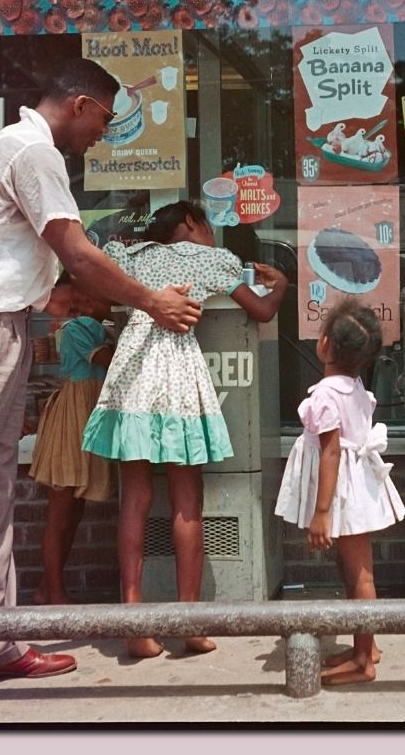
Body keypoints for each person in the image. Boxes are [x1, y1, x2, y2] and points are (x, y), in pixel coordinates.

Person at [0, 59, 204, 684]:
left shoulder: (16, 149)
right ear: (80, 104)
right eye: (105, 121)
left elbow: (43, 271)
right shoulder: (33, 153)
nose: (103, 136)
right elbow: (77, 253)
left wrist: (72, 299)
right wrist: (154, 300)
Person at [81, 200, 289, 659]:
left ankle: (134, 622)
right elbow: (261, 312)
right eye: (209, 225)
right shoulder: (215, 261)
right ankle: (190, 623)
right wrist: (282, 285)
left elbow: (93, 267)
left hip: (132, 371)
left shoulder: (134, 257)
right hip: (175, 372)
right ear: (192, 224)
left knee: (134, 497)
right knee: (187, 500)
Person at [274, 298, 403, 687]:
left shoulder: (326, 395)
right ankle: (366, 644)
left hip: (343, 493)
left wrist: (321, 511)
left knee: (360, 573)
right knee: (352, 570)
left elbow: (330, 450)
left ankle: (364, 660)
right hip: (356, 486)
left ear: (325, 343)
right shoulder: (355, 388)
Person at [28, 274, 117, 606]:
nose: (81, 308)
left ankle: (44, 588)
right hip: (72, 423)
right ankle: (56, 592)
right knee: (61, 514)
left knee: (73, 513)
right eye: (74, 304)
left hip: (89, 417)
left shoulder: (99, 328)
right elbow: (108, 360)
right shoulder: (75, 330)